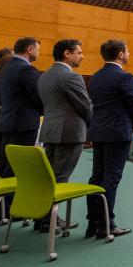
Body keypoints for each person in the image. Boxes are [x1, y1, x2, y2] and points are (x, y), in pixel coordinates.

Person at [85, 40, 133, 238]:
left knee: (97, 176)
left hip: (99, 131)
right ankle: (106, 224)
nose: (129, 54)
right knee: (111, 177)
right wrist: (131, 125)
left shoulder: (95, 77)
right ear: (120, 54)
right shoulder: (125, 77)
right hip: (117, 132)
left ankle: (93, 222)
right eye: (128, 51)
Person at [36, 39, 92, 233]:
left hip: (51, 130)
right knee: (61, 176)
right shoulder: (71, 77)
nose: (82, 56)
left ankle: (42, 216)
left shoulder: (44, 76)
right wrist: (91, 126)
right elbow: (85, 106)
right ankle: (49, 219)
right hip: (69, 132)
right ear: (67, 54)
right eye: (79, 52)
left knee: (50, 175)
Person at [0, 37, 44, 178]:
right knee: (18, 167)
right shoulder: (26, 69)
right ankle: (12, 192)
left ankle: (2, 192)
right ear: (29, 49)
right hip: (23, 124)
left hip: (7, 121)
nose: (39, 53)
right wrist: (44, 111)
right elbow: (39, 95)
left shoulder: (6, 67)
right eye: (38, 49)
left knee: (6, 164)